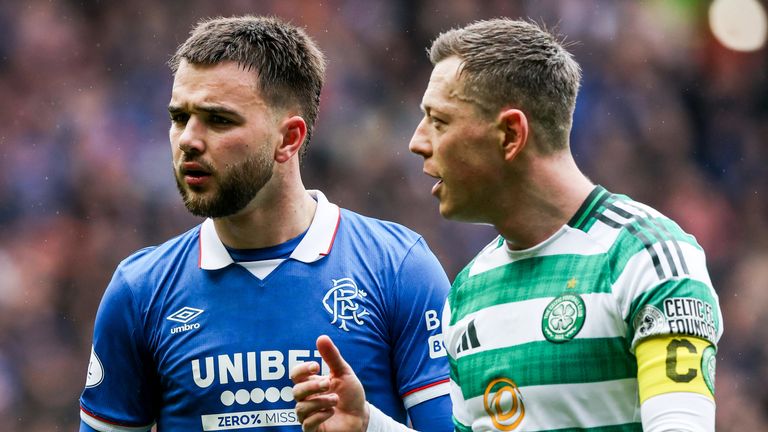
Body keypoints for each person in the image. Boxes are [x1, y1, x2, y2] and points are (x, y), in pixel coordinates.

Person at [291, 18, 723, 432]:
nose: (417, 141)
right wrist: (367, 425)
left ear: (511, 134)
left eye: (439, 121)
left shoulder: (646, 258)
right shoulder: (468, 290)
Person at [78, 15, 453, 432]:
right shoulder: (139, 292)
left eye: (219, 119)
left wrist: (368, 426)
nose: (188, 140)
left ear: (289, 138)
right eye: (180, 117)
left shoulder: (398, 269)